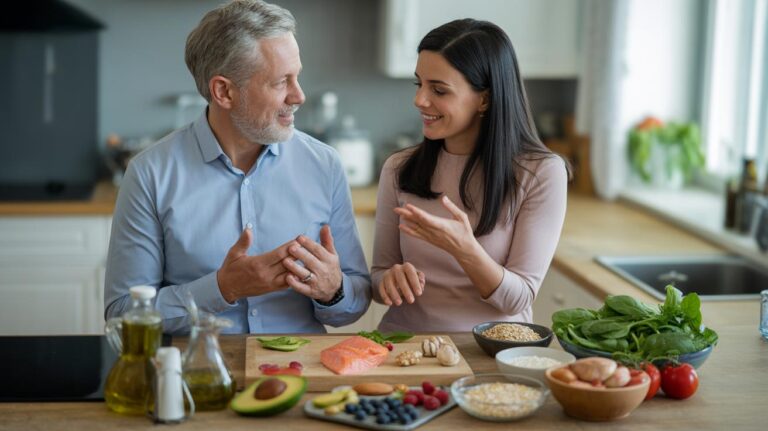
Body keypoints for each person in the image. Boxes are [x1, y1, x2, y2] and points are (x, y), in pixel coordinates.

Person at [104, 0, 371, 334]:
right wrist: (222, 288)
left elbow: (356, 301)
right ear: (224, 91)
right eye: (280, 82)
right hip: (199, 377)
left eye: (297, 77)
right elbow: (122, 317)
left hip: (298, 377)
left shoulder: (324, 164)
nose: (299, 96)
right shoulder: (149, 174)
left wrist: (334, 290)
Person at [371, 19, 569, 332]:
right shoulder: (399, 168)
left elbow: (518, 299)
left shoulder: (540, 172)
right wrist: (389, 280)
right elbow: (380, 274)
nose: (420, 100)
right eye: (418, 84)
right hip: (404, 346)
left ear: (485, 99)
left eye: (438, 89)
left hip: (493, 352)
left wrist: (465, 250)